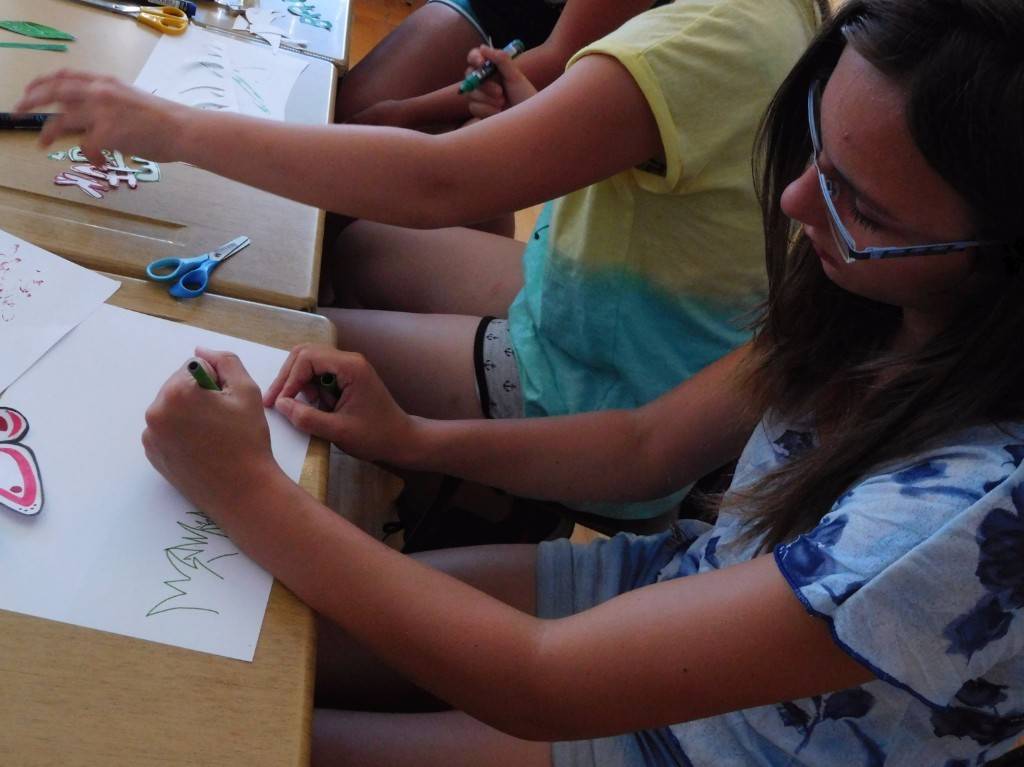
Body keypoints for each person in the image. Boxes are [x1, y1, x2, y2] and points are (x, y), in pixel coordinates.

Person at [139, 0, 1024, 763]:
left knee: (219, 728)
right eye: (815, 150)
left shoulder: (975, 510)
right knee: (252, 636)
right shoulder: (876, 298)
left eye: (859, 204)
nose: (794, 205)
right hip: (661, 589)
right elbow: (645, 446)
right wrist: (412, 436)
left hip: (695, 744)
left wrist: (248, 488)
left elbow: (543, 681)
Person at [16, 0, 822, 523]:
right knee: (357, 246)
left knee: (270, 349)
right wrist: (534, 113)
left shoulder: (706, 38)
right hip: (613, 309)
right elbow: (651, 172)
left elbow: (439, 183)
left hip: (600, 380)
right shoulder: (780, 17)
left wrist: (177, 129)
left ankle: (471, 501)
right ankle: (428, 478)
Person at [335, 0, 654, 130]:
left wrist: (410, 111)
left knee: (369, 133)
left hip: (547, 75)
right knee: (348, 114)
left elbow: (559, 58)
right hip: (486, 11)